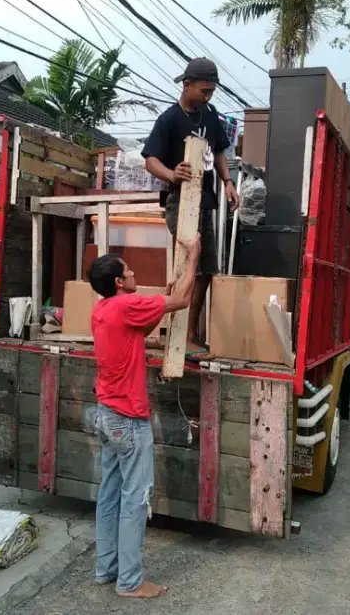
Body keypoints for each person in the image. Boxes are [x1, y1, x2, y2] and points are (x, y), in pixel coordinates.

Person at [88, 236, 201, 599]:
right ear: (119, 282)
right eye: (129, 271)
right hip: (129, 420)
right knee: (135, 500)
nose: (134, 272)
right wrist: (195, 255)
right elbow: (183, 301)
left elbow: (142, 328)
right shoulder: (128, 305)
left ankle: (106, 569)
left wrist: (159, 303)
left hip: (106, 415)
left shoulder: (103, 309)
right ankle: (130, 583)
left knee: (109, 495)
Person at [142, 57, 239, 356]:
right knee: (189, 268)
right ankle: (178, 333)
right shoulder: (169, 119)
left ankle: (190, 333)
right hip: (179, 201)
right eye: (204, 90)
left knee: (207, 270)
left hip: (205, 200)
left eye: (212, 91)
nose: (208, 96)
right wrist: (172, 174)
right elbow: (150, 160)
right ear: (186, 85)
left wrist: (228, 182)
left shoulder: (209, 114)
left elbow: (220, 151)